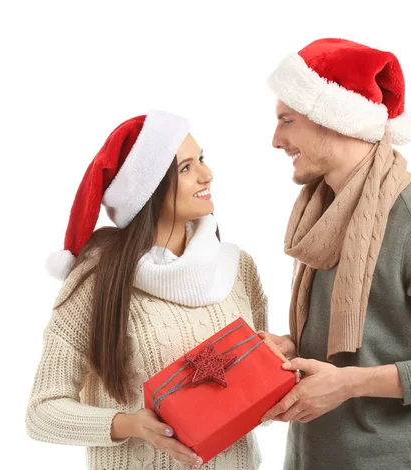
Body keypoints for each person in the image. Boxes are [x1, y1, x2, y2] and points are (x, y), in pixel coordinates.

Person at [260, 38, 411, 470]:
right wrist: (290, 348)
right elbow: (363, 339)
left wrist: (348, 384)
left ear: (331, 119)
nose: (276, 140)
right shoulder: (323, 212)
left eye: (287, 120)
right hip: (307, 458)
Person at [25, 110, 269, 470]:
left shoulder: (238, 267)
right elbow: (42, 412)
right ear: (148, 189)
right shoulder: (98, 280)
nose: (207, 174)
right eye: (186, 168)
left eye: (201, 160)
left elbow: (253, 375)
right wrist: (130, 425)